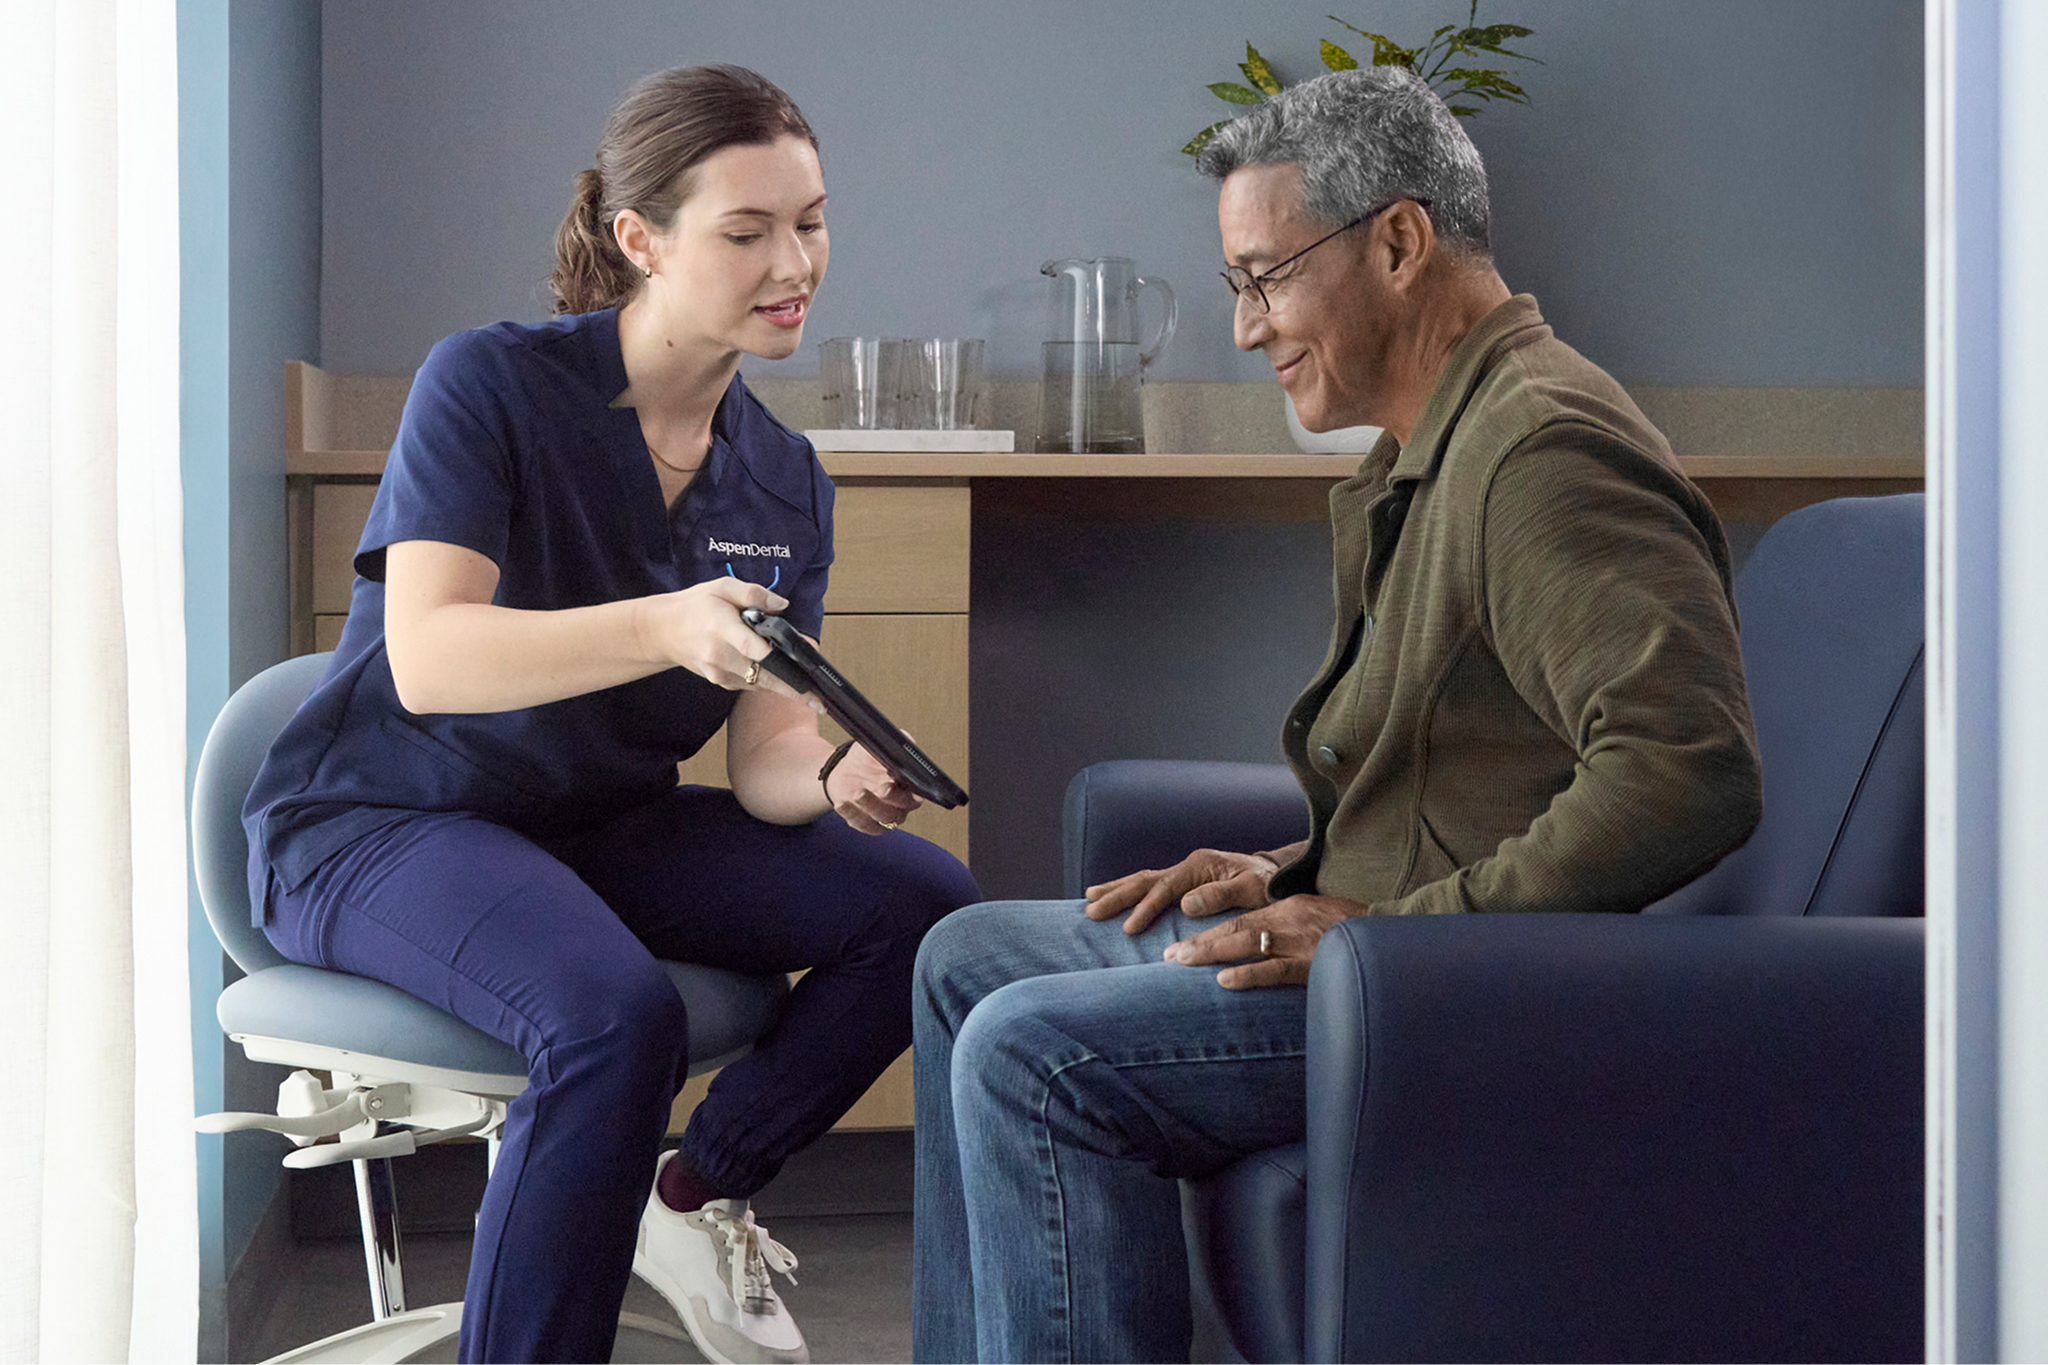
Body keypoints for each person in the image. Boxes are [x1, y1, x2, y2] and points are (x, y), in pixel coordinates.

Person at [910, 65, 1764, 1365]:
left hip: (1462, 999)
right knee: (963, 957)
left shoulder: (1540, 450)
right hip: (1396, 960)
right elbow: (1473, 775)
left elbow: (1686, 769)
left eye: (1266, 276)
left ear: (1401, 243)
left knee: (1037, 1055)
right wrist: (1288, 871)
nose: (1247, 329)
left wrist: (1392, 936)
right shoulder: (1438, 442)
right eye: (1236, 286)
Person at [242, 64, 978, 1365]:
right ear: (640, 239)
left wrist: (839, 772)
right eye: (745, 231)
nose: (792, 259)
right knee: (615, 1016)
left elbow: (765, 767)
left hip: (592, 827)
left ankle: (692, 1193)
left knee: (923, 908)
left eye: (809, 220)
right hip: (375, 824)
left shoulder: (784, 477)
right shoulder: (491, 388)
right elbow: (427, 660)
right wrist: (662, 621)